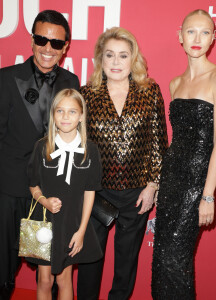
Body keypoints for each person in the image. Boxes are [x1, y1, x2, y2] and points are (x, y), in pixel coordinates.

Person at [0, 10, 79, 299]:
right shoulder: (6, 78)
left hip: (48, 194)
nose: (48, 48)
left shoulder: (71, 82)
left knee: (45, 266)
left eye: (56, 43)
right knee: (3, 266)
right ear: (32, 40)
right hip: (9, 190)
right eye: (41, 39)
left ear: (66, 46)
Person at [77, 27, 168, 300]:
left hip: (136, 194)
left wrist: (153, 185)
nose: (116, 62)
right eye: (110, 55)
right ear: (100, 60)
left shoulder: (149, 92)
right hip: (96, 192)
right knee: (90, 260)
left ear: (133, 60)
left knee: (126, 262)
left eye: (123, 55)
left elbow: (158, 141)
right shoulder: (87, 94)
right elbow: (78, 146)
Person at [151, 9, 216, 299]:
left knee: (177, 260)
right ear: (180, 37)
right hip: (171, 178)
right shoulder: (174, 84)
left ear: (213, 39)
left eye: (205, 32)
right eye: (191, 31)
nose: (197, 38)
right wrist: (161, 184)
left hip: (197, 183)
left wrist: (208, 195)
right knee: (162, 260)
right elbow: (176, 142)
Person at [27, 88, 103, 300]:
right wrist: (44, 201)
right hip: (43, 221)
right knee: (44, 280)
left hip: (72, 224)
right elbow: (33, 186)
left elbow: (90, 193)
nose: (65, 116)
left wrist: (81, 231)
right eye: (60, 111)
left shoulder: (90, 150)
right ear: (53, 115)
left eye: (72, 112)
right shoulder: (42, 147)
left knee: (63, 279)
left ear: (81, 116)